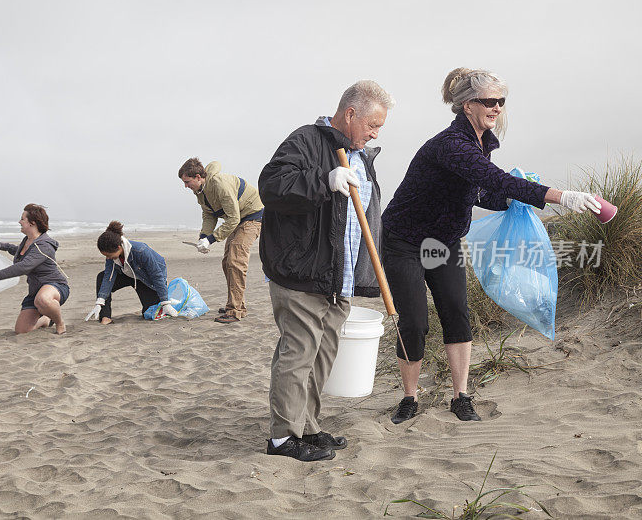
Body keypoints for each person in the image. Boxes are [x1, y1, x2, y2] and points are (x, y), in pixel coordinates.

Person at [381, 67, 602, 424]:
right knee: (416, 322)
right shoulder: (452, 145)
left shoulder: (481, 143)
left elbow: (481, 190)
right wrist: (561, 196)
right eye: (489, 101)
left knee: (455, 313)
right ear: (467, 105)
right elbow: (492, 178)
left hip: (443, 241)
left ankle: (461, 396)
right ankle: (409, 397)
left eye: (501, 101)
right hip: (405, 240)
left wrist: (515, 200)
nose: (497, 107)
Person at [258, 80, 394, 461]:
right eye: (373, 124)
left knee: (323, 357)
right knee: (298, 354)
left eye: (380, 128)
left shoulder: (361, 156)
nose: (375, 133)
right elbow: (272, 185)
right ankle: (283, 438)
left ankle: (307, 427)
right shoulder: (305, 140)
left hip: (338, 277)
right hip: (301, 273)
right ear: (350, 113)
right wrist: (323, 180)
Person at [179, 158, 263, 323]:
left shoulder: (219, 185)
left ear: (197, 177)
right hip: (238, 220)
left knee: (235, 261)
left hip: (252, 216)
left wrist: (211, 239)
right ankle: (237, 304)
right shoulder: (200, 192)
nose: (186, 186)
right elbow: (209, 214)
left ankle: (235, 310)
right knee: (227, 262)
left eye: (187, 182)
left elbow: (233, 218)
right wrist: (203, 237)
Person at [0, 204, 69, 335]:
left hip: (55, 286)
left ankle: (60, 323)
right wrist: (1, 246)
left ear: (32, 223)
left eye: (22, 219)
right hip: (35, 291)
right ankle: (46, 319)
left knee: (42, 299)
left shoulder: (44, 245)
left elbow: (23, 266)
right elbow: (19, 252)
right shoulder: (28, 240)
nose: (19, 222)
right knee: (22, 330)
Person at [84, 221, 177, 324]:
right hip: (126, 275)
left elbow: (157, 276)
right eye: (106, 256)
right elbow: (108, 277)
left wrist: (165, 302)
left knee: (149, 314)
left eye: (109, 255)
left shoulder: (141, 251)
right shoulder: (111, 257)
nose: (108, 258)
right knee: (101, 277)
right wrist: (100, 302)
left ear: (119, 248)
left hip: (144, 279)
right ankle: (106, 317)